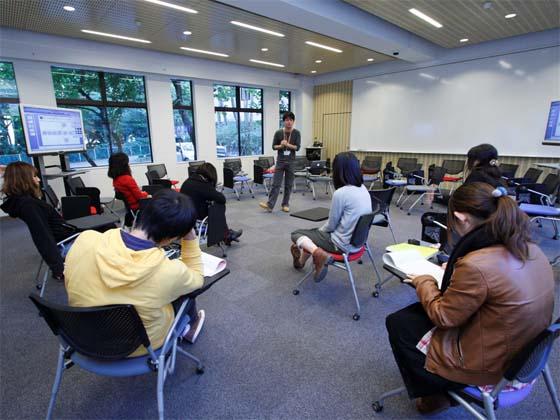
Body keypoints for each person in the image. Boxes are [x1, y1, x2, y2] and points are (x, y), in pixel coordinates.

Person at [385, 182, 554, 415]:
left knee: (400, 323)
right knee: (414, 316)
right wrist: (457, 273)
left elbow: (443, 317)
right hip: (526, 358)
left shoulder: (477, 264)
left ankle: (436, 395)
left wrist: (424, 280)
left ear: (460, 218)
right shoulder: (530, 248)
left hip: (493, 369)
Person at [65, 190, 206, 354]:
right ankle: (187, 329)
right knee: (185, 294)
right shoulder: (170, 272)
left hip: (85, 337)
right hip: (138, 347)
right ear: (172, 237)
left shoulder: (85, 240)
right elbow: (197, 279)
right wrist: (190, 240)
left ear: (144, 214)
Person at [290, 152, 372, 281]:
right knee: (311, 238)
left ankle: (318, 255)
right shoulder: (363, 189)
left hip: (340, 245)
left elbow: (331, 224)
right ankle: (300, 263)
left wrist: (319, 232)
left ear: (338, 171)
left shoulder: (341, 193)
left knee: (297, 234)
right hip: (359, 244)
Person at [1, 161, 76, 280]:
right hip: (66, 243)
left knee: (106, 228)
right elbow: (42, 237)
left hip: (66, 236)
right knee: (110, 233)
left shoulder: (25, 201)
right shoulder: (29, 205)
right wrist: (59, 268)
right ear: (24, 180)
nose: (38, 180)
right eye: (34, 177)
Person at [180, 162, 242, 245]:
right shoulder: (202, 184)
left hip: (183, 215)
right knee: (219, 206)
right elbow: (222, 198)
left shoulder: (189, 180)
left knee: (213, 204)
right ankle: (226, 235)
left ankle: (226, 233)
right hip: (196, 217)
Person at [259, 111, 301, 213]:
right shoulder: (278, 133)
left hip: (291, 161)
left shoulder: (296, 133)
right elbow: (274, 146)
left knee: (288, 184)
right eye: (287, 120)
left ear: (293, 121)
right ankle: (270, 205)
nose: (289, 122)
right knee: (276, 183)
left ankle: (285, 204)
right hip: (280, 161)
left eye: (291, 120)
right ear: (284, 121)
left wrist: (287, 145)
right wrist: (281, 146)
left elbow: (297, 147)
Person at [108, 152, 148, 226]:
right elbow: (140, 197)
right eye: (127, 163)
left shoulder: (116, 179)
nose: (129, 165)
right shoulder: (127, 179)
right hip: (138, 206)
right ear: (123, 165)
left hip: (130, 207)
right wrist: (146, 194)